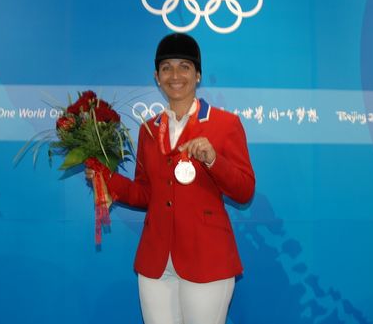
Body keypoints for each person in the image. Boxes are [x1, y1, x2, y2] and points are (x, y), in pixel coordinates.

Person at [86, 32, 255, 324]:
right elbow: (145, 194)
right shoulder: (148, 129)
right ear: (157, 77)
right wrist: (107, 178)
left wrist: (213, 160)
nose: (175, 75)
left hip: (206, 257)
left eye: (184, 67)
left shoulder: (225, 124)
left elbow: (244, 191)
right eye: (166, 68)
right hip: (156, 260)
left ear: (198, 75)